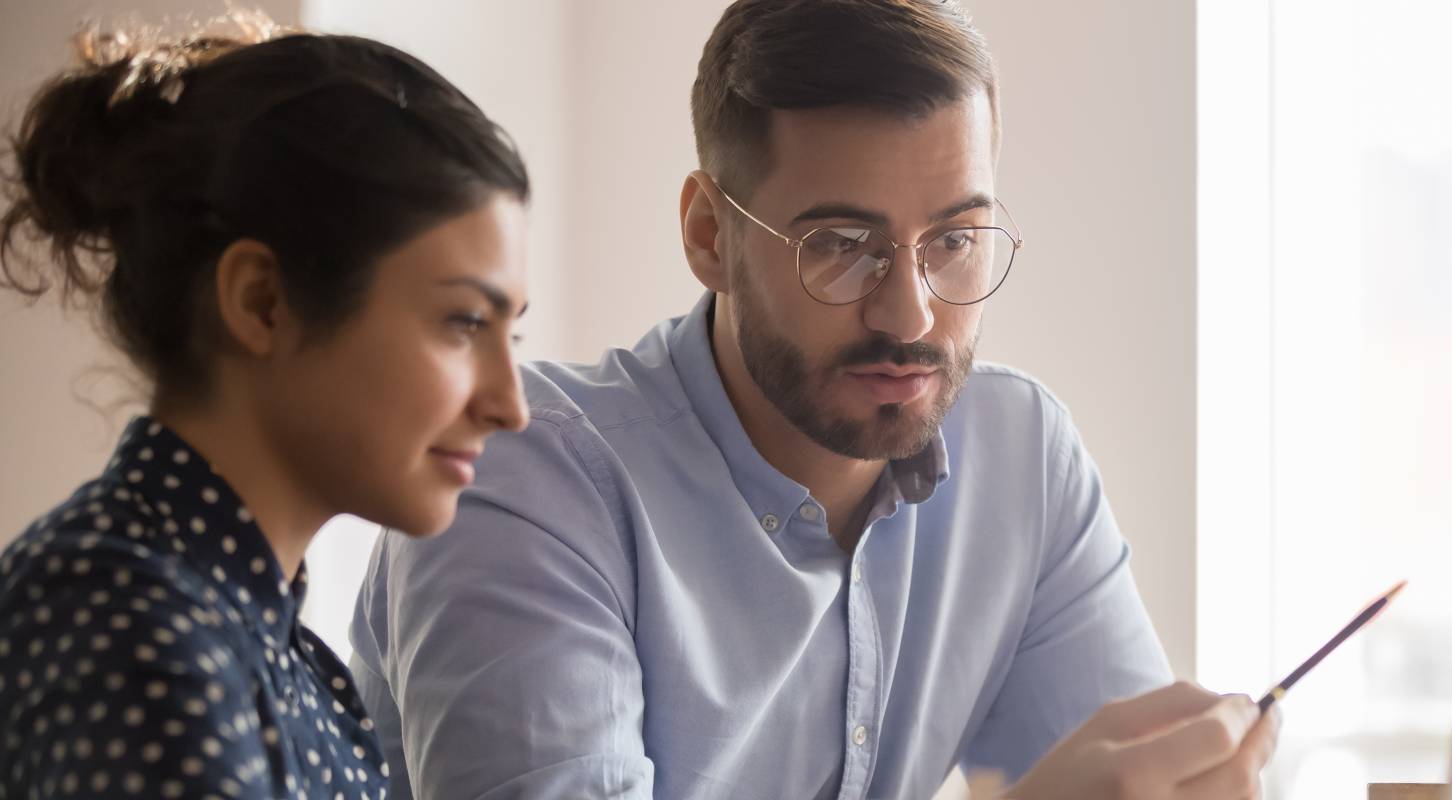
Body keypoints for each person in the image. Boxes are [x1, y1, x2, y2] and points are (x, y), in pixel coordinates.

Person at [349, 1, 1280, 798]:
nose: (908, 312)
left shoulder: (1021, 455)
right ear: (710, 234)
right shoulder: (524, 474)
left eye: (956, 239)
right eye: (841, 243)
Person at [0, 12, 531, 798]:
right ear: (262, 302)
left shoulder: (279, 654)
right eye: (462, 323)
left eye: (511, 335)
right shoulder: (128, 626)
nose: (509, 405)